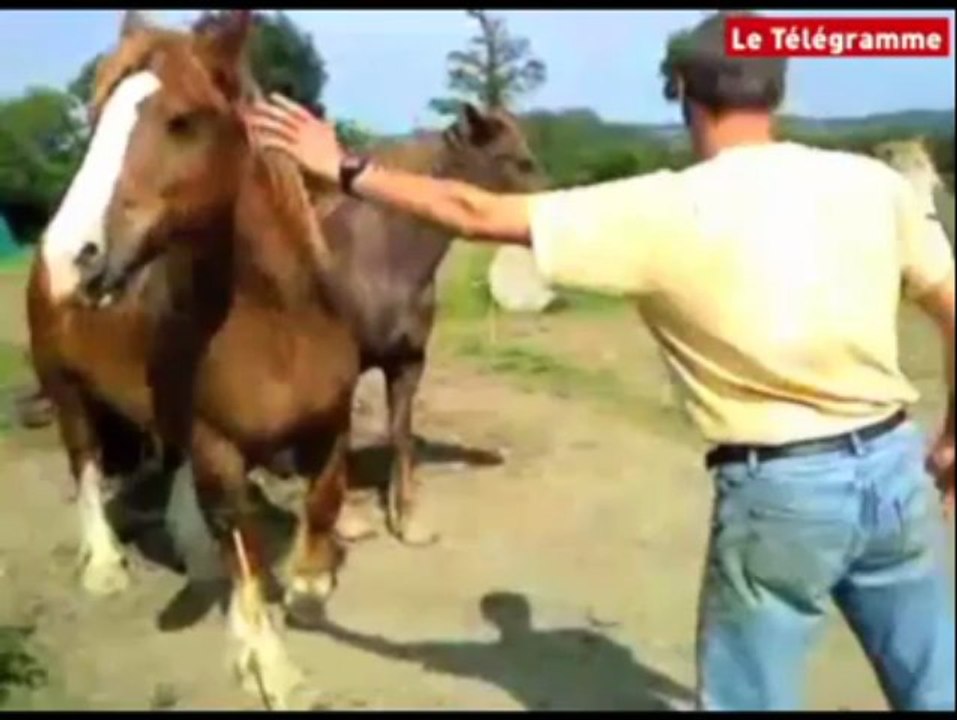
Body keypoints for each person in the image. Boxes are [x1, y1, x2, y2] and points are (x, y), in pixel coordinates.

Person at [245, 10, 955, 712]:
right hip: (894, 468)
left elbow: (474, 211)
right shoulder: (871, 184)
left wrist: (343, 166)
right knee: (933, 684)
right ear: (779, 91)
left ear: (683, 93)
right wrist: (951, 430)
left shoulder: (661, 208)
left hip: (781, 493)